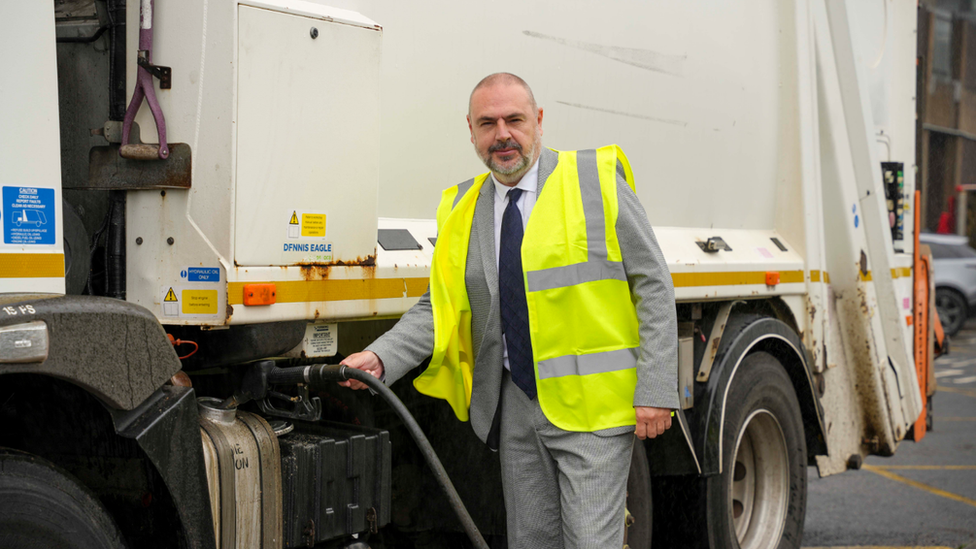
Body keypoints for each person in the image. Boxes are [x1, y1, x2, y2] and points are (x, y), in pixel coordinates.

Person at [340, 72, 678, 549]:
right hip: (515, 409)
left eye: (514, 120)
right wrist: (380, 358)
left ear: (538, 121)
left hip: (594, 410)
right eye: (488, 123)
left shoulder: (593, 179)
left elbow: (653, 283)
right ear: (472, 131)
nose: (502, 134)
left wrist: (657, 386)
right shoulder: (462, 207)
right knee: (530, 542)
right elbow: (440, 306)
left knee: (590, 542)